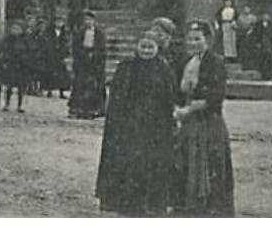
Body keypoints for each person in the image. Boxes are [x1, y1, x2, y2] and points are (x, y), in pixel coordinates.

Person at [96, 31, 177, 217]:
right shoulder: (126, 67)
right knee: (129, 160)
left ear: (157, 49)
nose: (147, 51)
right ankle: (125, 200)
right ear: (137, 47)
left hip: (154, 125)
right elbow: (117, 96)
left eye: (151, 47)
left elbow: (169, 97)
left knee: (151, 162)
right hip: (129, 124)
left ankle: (150, 202)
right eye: (143, 46)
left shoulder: (164, 69)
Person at [174, 21, 235, 218]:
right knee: (186, 159)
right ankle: (188, 204)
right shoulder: (184, 61)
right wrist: (177, 107)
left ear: (207, 40)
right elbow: (176, 89)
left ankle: (211, 208)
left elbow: (215, 96)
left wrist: (189, 109)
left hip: (208, 120)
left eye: (197, 39)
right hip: (187, 120)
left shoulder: (215, 63)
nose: (193, 43)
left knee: (209, 161)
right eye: (190, 39)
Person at [69, 10, 107, 119]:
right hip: (82, 61)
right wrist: (82, 55)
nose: (88, 22)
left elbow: (102, 49)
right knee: (80, 84)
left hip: (95, 63)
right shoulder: (79, 32)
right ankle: (78, 109)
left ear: (94, 21)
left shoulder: (99, 33)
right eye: (86, 19)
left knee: (94, 86)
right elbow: (75, 47)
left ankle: (94, 109)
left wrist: (95, 56)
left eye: (90, 20)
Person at [0, 19, 30, 112]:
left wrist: (26, 58)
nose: (15, 30)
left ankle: (20, 105)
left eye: (17, 28)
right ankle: (7, 104)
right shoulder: (8, 39)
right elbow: (3, 50)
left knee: (21, 86)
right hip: (11, 64)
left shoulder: (25, 39)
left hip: (22, 65)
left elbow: (30, 51)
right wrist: (5, 60)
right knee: (9, 85)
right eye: (13, 28)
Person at [44, 18, 71, 98]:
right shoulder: (49, 32)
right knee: (50, 73)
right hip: (52, 55)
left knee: (62, 75)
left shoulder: (65, 33)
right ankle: (49, 91)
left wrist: (65, 54)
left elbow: (66, 44)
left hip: (60, 56)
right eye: (57, 22)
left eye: (61, 22)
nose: (59, 23)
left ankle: (61, 92)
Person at [252, 13, 272, 80]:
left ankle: (269, 75)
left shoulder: (271, 25)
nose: (265, 18)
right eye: (264, 16)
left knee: (269, 60)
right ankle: (262, 74)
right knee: (261, 60)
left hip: (269, 46)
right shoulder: (258, 25)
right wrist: (257, 42)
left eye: (267, 17)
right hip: (261, 45)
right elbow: (255, 34)